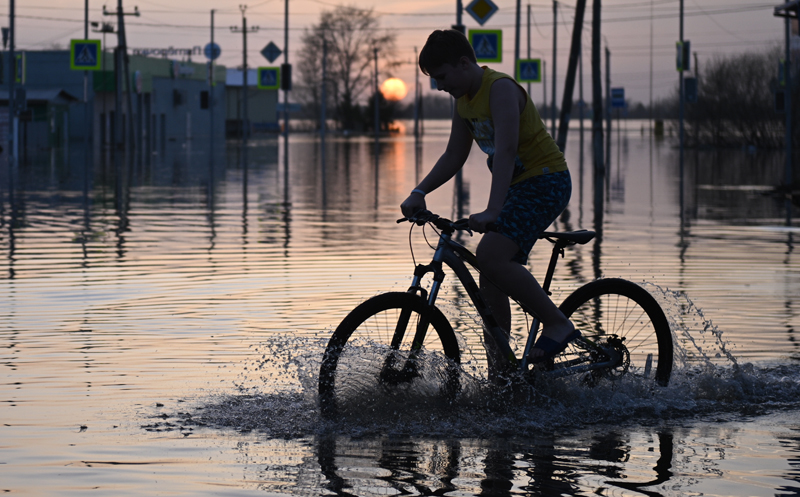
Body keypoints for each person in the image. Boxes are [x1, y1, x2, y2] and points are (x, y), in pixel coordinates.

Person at [400, 29, 579, 370]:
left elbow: (508, 150)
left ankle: (558, 323)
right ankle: (503, 372)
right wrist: (419, 192)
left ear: (464, 63)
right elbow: (454, 155)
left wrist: (494, 210)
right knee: (489, 274)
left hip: (547, 180)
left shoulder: (500, 89)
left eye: (441, 77)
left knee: (491, 256)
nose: (439, 86)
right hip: (519, 186)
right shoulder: (463, 101)